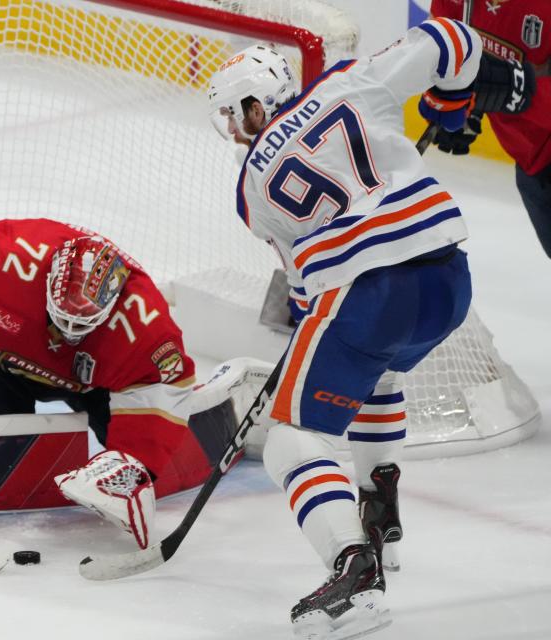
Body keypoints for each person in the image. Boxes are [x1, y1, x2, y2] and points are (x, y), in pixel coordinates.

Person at [208, 18, 481, 639]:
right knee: (374, 371)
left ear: (256, 103)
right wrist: (453, 102)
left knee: (290, 437)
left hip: (367, 293)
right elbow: (453, 37)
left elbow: (305, 291)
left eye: (233, 113)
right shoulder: (352, 80)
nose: (232, 130)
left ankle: (352, 570)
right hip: (448, 281)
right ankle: (378, 514)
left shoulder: (252, 188)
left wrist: (314, 323)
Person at [0, 218, 213, 549]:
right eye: (62, 318)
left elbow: (170, 379)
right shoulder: (12, 258)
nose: (66, 332)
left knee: (151, 471)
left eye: (81, 324)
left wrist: (135, 458)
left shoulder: (145, 325)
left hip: (94, 385)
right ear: (48, 278)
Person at [426, 0, 545, 257]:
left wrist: (513, 87)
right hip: (530, 163)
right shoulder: (459, 3)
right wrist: (468, 105)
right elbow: (443, 53)